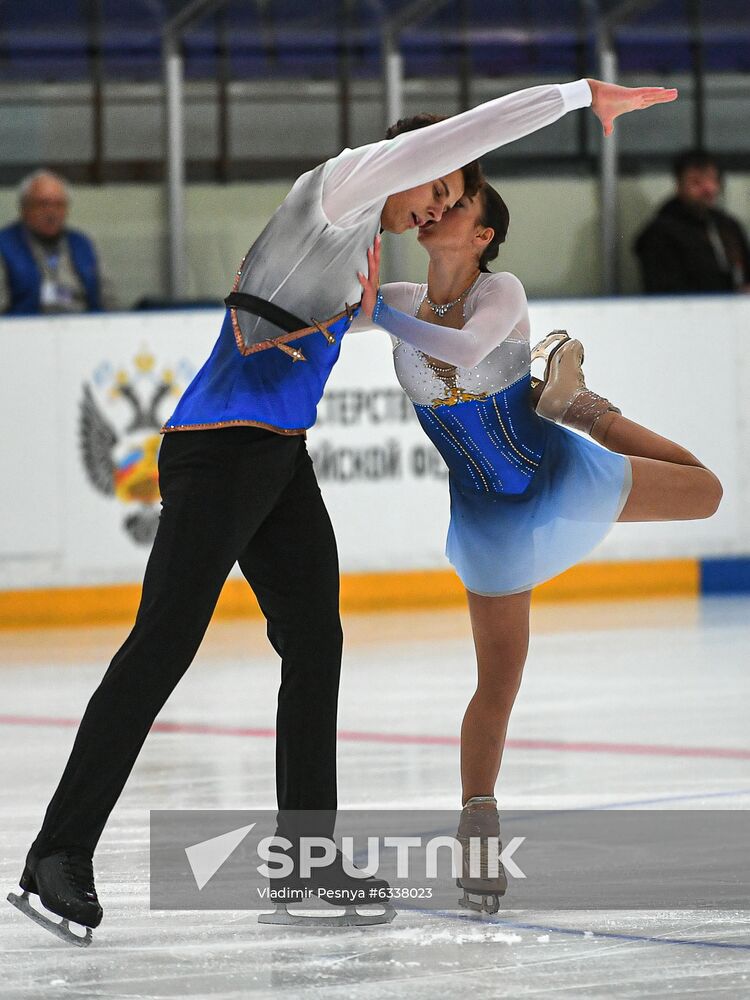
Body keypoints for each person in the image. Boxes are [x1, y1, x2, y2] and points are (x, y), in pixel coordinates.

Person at [8, 77, 678, 944]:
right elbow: (454, 138)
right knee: (163, 644)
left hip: (276, 454)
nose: (434, 207)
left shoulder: (360, 241)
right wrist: (578, 95)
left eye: (447, 198)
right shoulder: (340, 189)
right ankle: (55, 857)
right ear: (404, 161)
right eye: (434, 187)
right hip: (219, 450)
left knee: (315, 638)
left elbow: (367, 321)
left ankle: (307, 860)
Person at [357, 179, 722, 913]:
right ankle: (477, 826)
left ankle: (579, 405)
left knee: (705, 491)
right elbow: (321, 312)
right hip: (486, 514)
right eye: (436, 204)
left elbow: (460, 346)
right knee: (497, 683)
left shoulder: (503, 295)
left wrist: (377, 316)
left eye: (456, 208)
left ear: (483, 236)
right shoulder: (395, 300)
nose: (437, 212)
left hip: (554, 470)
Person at [634, 149, 750, 294]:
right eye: (696, 182)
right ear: (679, 185)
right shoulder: (659, 233)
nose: (708, 189)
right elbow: (665, 291)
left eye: (712, 180)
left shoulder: (728, 226)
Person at [0, 169, 115, 315]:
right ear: (24, 208)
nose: (52, 212)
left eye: (59, 204)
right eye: (43, 204)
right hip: (25, 331)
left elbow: (108, 302)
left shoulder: (83, 244)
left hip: (84, 328)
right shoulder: (5, 245)